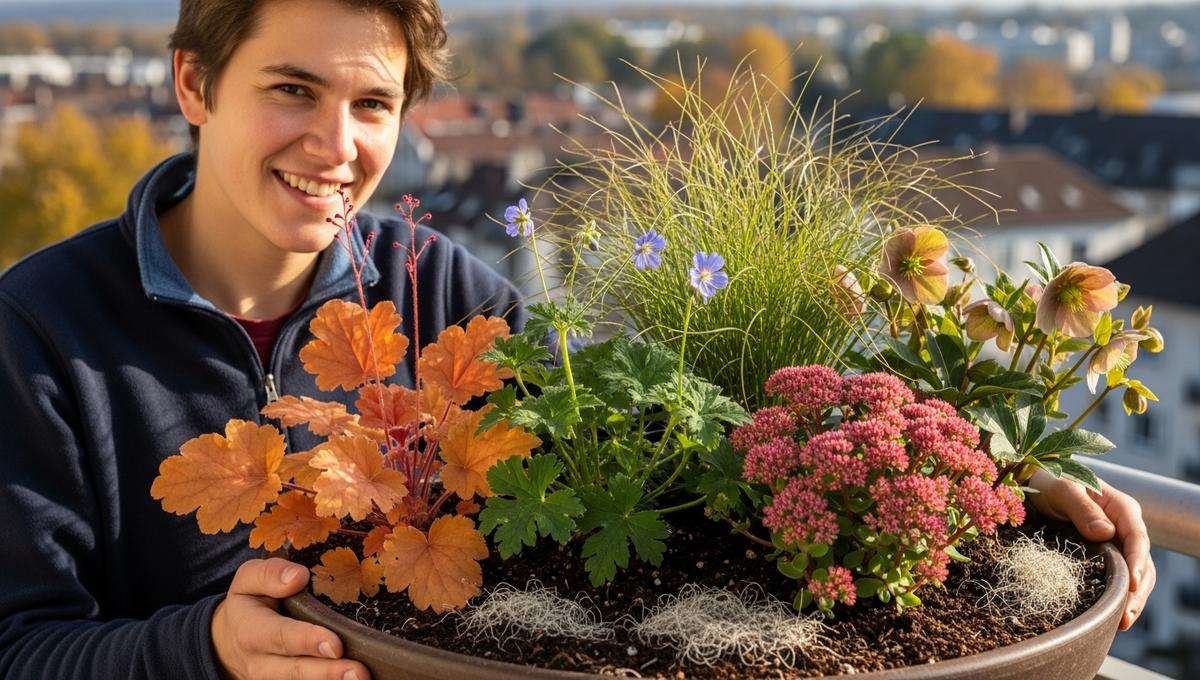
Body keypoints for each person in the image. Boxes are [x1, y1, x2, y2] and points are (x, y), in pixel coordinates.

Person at [0, 1, 1154, 679]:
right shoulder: (41, 329)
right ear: (196, 83)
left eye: (372, 105)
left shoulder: (439, 285)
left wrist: (987, 485)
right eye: (291, 90)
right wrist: (201, 646)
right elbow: (18, 645)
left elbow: (682, 447)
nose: (337, 143)